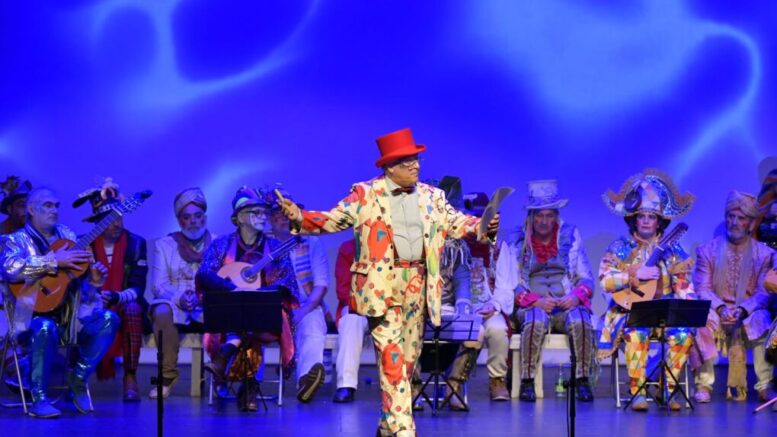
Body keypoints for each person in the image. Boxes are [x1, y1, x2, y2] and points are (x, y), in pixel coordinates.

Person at [276, 128, 499, 437]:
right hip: (383, 286)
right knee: (391, 355)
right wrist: (299, 217)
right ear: (390, 167)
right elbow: (331, 220)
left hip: (418, 285)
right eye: (408, 161)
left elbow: (458, 223)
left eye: (417, 160)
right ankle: (405, 428)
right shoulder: (365, 195)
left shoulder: (433, 197)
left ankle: (386, 424)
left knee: (406, 360)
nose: (416, 166)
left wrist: (484, 225)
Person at [1, 187, 119, 418]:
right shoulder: (14, 240)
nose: (54, 210)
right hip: (29, 321)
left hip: (70, 319)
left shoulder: (68, 236)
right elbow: (10, 270)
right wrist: (53, 260)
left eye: (56, 205)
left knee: (109, 319)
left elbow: (72, 283)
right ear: (31, 209)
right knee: (45, 327)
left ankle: (78, 378)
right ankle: (39, 398)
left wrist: (94, 282)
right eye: (48, 205)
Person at [597, 169, 697, 411]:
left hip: (665, 312)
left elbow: (683, 284)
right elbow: (605, 280)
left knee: (684, 335)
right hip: (630, 312)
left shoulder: (673, 250)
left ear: (659, 221)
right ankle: (637, 391)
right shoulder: (620, 247)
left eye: (651, 217)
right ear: (634, 218)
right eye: (641, 216)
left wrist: (692, 305)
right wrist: (633, 275)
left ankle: (667, 388)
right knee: (636, 332)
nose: (645, 221)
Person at [496, 180, 596, 402]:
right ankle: (527, 381)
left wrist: (575, 296)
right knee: (536, 319)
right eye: (539, 215)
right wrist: (535, 300)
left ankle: (582, 380)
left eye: (549, 215)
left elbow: (587, 278)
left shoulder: (571, 234)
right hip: (532, 305)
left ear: (556, 216)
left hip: (564, 303)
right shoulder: (516, 239)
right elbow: (509, 282)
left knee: (580, 319)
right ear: (531, 216)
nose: (543, 221)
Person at [74, 178, 149, 401]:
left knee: (133, 308)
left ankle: (130, 376)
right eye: (110, 220)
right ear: (98, 222)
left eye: (119, 218)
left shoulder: (136, 243)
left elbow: (138, 286)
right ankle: (76, 378)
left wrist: (116, 297)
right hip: (89, 304)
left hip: (124, 303)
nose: (117, 224)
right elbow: (73, 283)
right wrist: (95, 295)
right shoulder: (82, 244)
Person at [148, 187, 213, 399]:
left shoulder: (218, 243)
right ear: (179, 220)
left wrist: (200, 297)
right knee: (161, 311)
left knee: (226, 307)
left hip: (206, 304)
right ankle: (167, 377)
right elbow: (158, 285)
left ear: (204, 218)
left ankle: (222, 379)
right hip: (175, 304)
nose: (193, 221)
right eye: (186, 217)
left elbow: (222, 280)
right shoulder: (164, 245)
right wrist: (180, 298)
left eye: (198, 215)